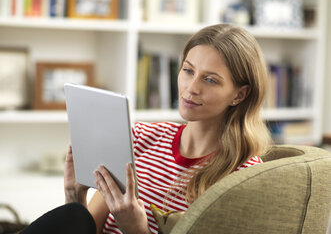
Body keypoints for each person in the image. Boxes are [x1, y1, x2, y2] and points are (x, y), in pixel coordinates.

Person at [22, 23, 271, 234]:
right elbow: (87, 226)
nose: (190, 88)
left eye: (209, 79)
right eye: (187, 70)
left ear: (239, 94)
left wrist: (137, 230)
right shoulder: (140, 138)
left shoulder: (245, 175)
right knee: (73, 215)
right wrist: (74, 196)